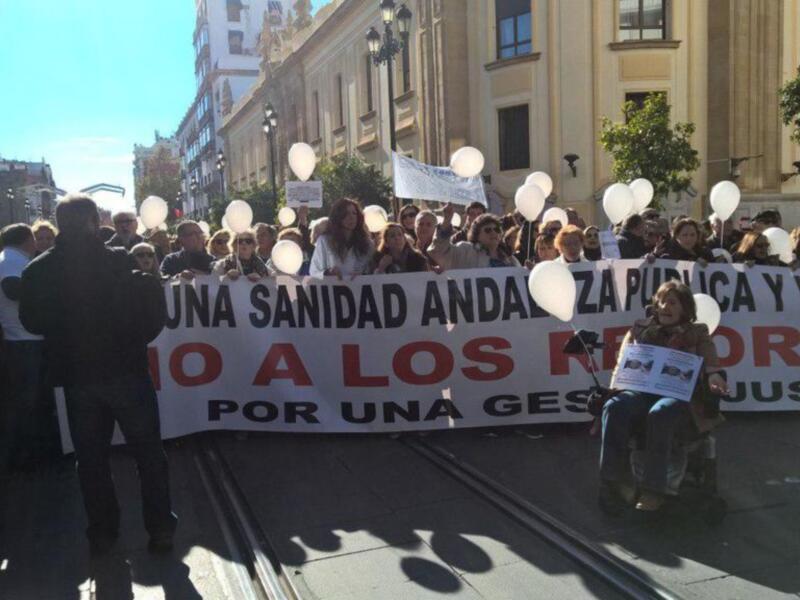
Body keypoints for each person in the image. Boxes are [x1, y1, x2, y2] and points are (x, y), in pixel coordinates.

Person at [19, 194, 176, 555]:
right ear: (94, 222)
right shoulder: (118, 262)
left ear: (59, 223)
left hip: (78, 379)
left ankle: (103, 532)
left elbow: (30, 321)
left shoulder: (39, 270)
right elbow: (150, 314)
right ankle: (160, 528)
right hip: (127, 372)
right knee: (149, 454)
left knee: (91, 460)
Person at [599, 281, 728, 514]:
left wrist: (714, 376)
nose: (664, 307)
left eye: (672, 302)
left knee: (661, 413)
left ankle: (654, 489)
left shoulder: (697, 332)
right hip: (641, 390)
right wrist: (613, 389)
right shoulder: (639, 328)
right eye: (661, 301)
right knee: (614, 406)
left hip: (678, 395)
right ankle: (613, 480)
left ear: (685, 307)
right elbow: (623, 365)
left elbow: (711, 362)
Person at [0, 224, 53, 473]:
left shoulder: (11, 258)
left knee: (29, 402)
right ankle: (26, 459)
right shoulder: (11, 259)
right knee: (27, 403)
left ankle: (27, 456)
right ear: (25, 239)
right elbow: (11, 288)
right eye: (33, 238)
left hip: (22, 340)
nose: (36, 243)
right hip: (25, 342)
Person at [429, 204, 521, 270]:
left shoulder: (509, 259)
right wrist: (446, 221)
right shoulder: (466, 251)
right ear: (477, 235)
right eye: (488, 230)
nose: (493, 232)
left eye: (497, 230)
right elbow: (438, 252)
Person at [310, 198, 374, 278]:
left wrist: (362, 275)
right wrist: (329, 272)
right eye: (346, 214)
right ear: (338, 217)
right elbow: (314, 271)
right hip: (332, 289)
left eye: (354, 213)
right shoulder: (324, 241)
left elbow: (372, 271)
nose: (351, 217)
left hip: (359, 289)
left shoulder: (368, 244)